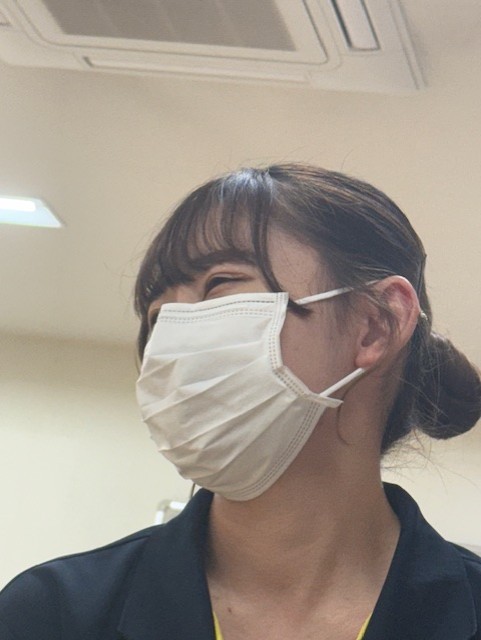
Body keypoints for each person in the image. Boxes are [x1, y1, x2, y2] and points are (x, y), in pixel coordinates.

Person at [1, 163, 481, 640]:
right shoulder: (51, 613)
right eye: (158, 316)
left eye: (220, 283)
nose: (174, 338)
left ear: (375, 325)